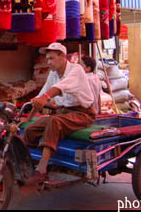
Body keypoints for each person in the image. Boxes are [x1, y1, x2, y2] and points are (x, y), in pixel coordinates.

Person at [22, 43, 96, 183]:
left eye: (51, 58)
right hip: (63, 113)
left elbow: (61, 87)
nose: (48, 62)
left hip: (83, 114)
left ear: (62, 56)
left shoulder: (76, 69)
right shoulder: (53, 73)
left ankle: (42, 169)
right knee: (30, 129)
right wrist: (29, 118)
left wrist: (45, 98)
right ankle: (29, 163)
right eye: (47, 59)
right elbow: (43, 94)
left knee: (54, 121)